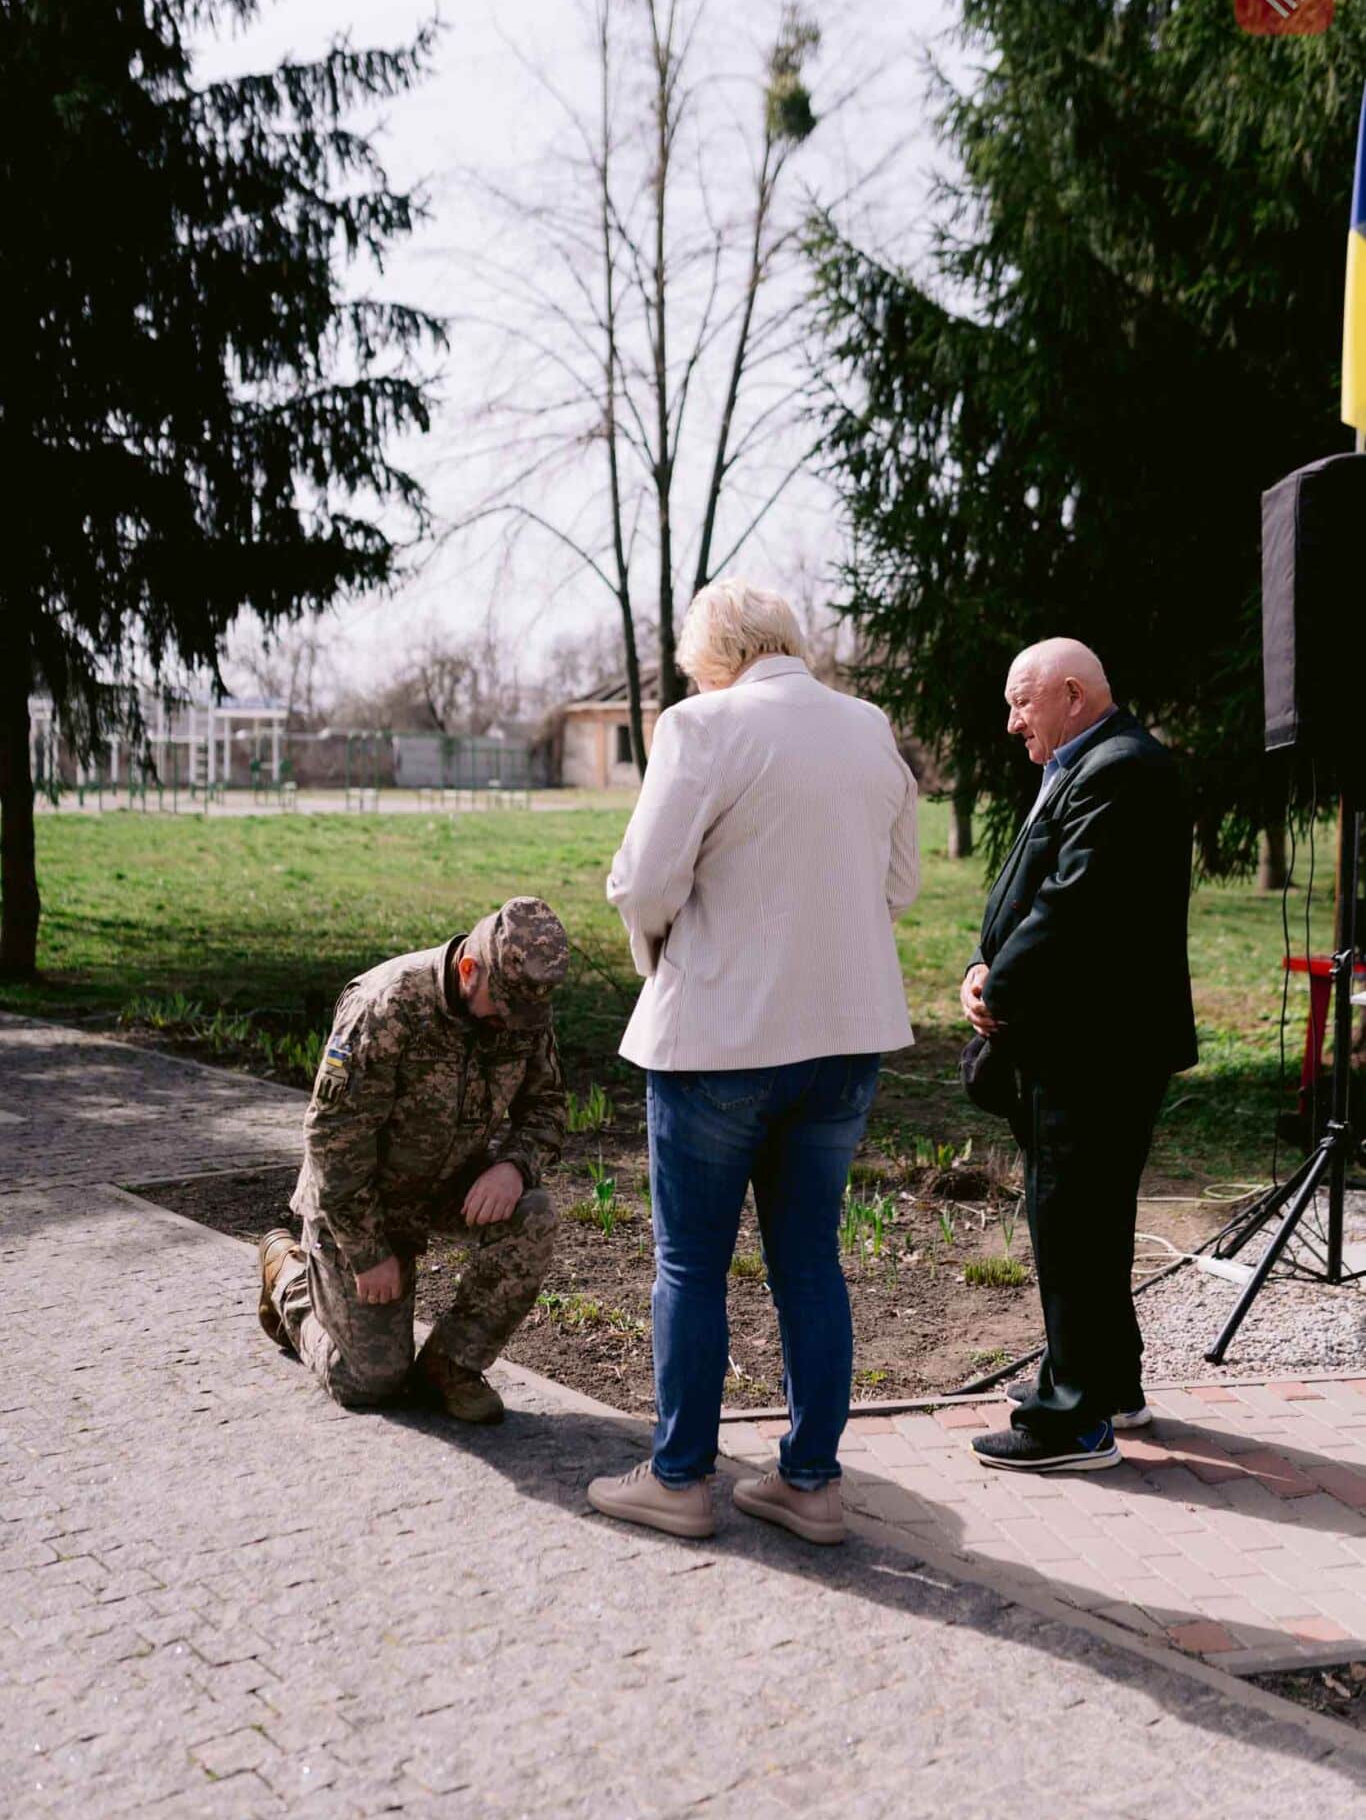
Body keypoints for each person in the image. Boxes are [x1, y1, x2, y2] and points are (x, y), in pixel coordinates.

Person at [587, 577, 920, 1543]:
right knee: (810, 1262)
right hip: (846, 1034)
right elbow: (898, 884)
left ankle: (681, 1477)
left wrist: (662, 945)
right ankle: (810, 1481)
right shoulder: (868, 727)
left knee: (691, 1262)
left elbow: (644, 881)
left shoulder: (701, 726)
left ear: (714, 658)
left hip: (720, 1035)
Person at [961, 639, 1197, 1473]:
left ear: (1071, 693)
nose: (1011, 722)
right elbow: (1026, 893)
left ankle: (1072, 1421)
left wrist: (996, 991)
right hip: (1085, 1043)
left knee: (1071, 1227)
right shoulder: (1089, 763)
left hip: (1093, 1049)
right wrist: (980, 967)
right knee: (1092, 1224)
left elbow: (1072, 908)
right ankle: (1113, 1386)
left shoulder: (1120, 768)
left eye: (1021, 702)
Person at [256, 897, 569, 1422]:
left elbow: (548, 1105)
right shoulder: (385, 1005)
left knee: (533, 1214)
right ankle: (290, 1283)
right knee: (369, 1382)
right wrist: (367, 1250)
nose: (512, 1025)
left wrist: (514, 1166)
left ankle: (450, 1366)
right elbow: (333, 1137)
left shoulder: (520, 1008)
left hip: (448, 1184)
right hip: (362, 1199)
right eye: (502, 1009)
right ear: (468, 970)